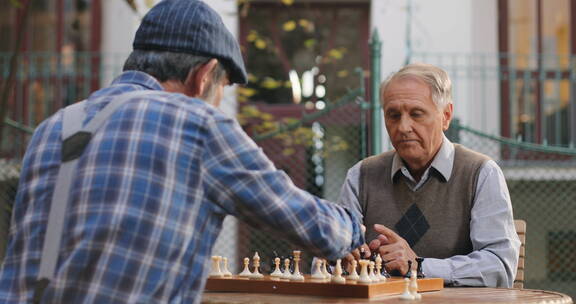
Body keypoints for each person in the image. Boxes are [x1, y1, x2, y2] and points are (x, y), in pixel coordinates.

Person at [0, 1, 364, 303]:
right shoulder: (197, 123)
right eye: (222, 87)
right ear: (204, 76)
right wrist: (355, 229)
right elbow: (311, 225)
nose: (219, 102)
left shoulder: (56, 127)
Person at [339, 63, 520, 287]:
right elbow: (334, 259)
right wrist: (341, 256)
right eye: (393, 115)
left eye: (416, 114)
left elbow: (499, 266)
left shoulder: (480, 173)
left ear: (446, 116)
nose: (404, 127)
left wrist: (419, 266)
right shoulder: (361, 176)